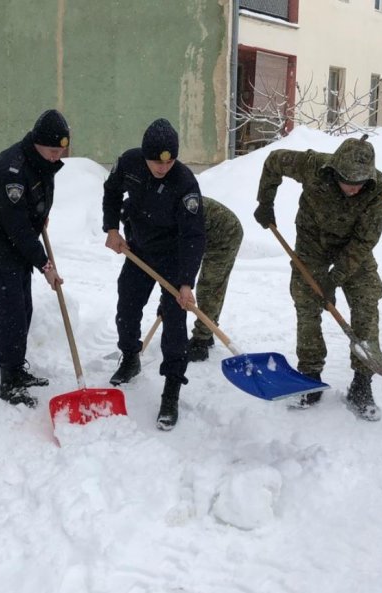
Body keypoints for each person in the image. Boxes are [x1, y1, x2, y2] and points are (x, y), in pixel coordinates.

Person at [253, 135, 382, 421]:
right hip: (312, 243)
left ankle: (362, 384)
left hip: (353, 248)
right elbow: (273, 161)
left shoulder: (379, 188)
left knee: (366, 303)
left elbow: (365, 240)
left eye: (359, 183)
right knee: (307, 304)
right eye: (347, 181)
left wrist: (335, 278)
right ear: (334, 170)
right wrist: (265, 201)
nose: (353, 189)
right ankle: (310, 376)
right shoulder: (313, 165)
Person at [102, 118, 206, 431]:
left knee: (175, 322)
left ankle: (171, 389)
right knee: (127, 307)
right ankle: (130, 356)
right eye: (156, 163)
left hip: (174, 257)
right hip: (139, 250)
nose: (163, 168)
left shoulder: (185, 183)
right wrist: (111, 228)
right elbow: (111, 192)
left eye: (170, 161)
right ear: (145, 156)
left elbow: (193, 236)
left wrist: (186, 281)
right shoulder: (129, 163)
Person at [0, 109, 67, 408]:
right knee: (12, 311)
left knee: (24, 309)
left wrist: (41, 216)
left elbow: (36, 198)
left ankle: (16, 367)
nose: (57, 156)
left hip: (19, 242)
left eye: (61, 151)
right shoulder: (9, 171)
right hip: (0, 247)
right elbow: (17, 230)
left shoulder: (39, 161)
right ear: (38, 143)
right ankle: (8, 380)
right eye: (53, 151)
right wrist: (46, 266)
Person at [187, 196, 243, 362]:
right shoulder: (156, 213)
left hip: (225, 234)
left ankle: (201, 341)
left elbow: (185, 256)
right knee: (206, 285)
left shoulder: (174, 213)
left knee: (210, 286)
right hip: (206, 231)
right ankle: (207, 327)